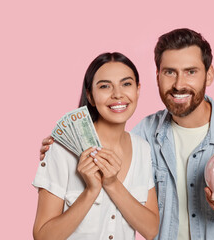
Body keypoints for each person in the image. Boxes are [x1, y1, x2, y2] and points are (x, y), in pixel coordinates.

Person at [40, 29, 214, 239]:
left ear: (209, 75)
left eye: (191, 71)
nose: (179, 84)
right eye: (170, 72)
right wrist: (64, 145)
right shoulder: (143, 135)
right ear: (157, 77)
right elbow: (107, 141)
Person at [33, 52, 159, 240]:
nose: (117, 94)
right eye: (105, 86)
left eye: (126, 84)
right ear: (90, 96)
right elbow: (43, 236)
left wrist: (112, 184)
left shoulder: (143, 148)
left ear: (138, 90)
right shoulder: (61, 150)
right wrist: (91, 192)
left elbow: (151, 230)